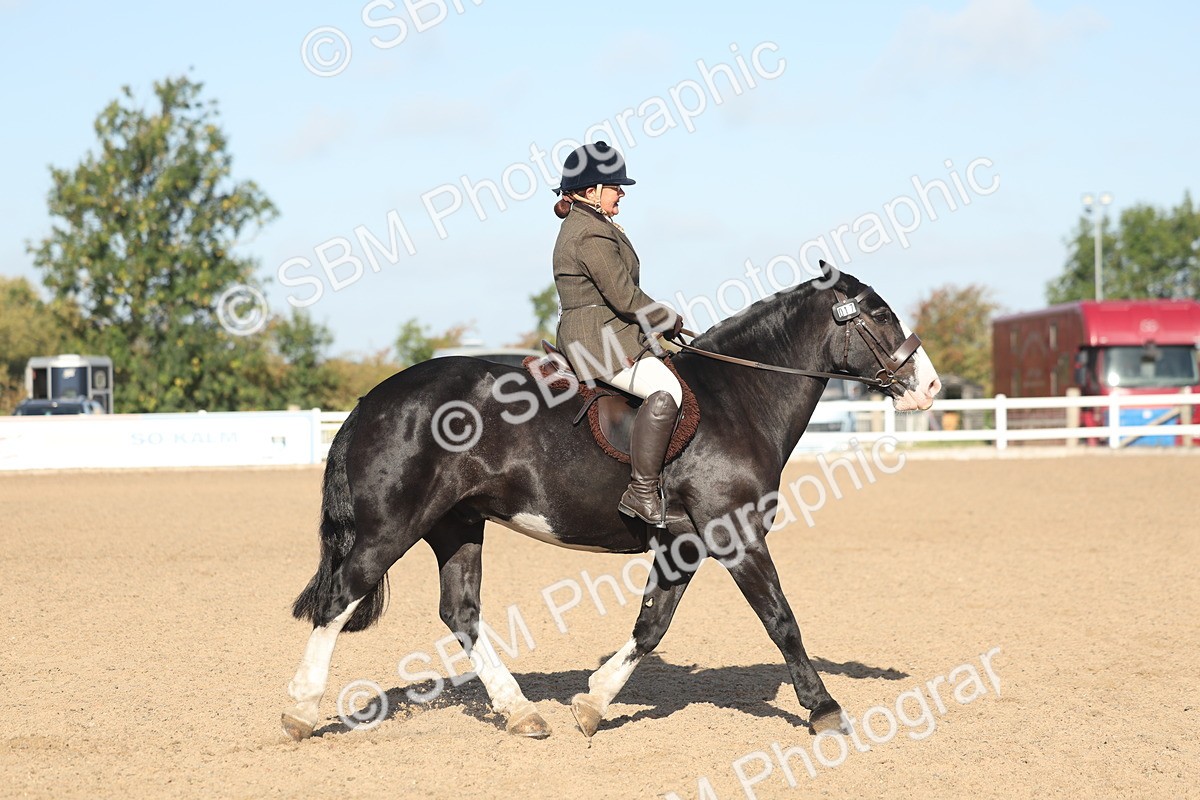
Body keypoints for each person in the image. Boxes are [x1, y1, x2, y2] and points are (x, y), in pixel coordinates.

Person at [551, 141, 686, 528]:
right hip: (598, 338)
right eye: (615, 186)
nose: (621, 193)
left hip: (608, 330)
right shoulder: (589, 234)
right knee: (668, 392)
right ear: (591, 191)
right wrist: (666, 316)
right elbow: (624, 297)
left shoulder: (590, 224)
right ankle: (642, 493)